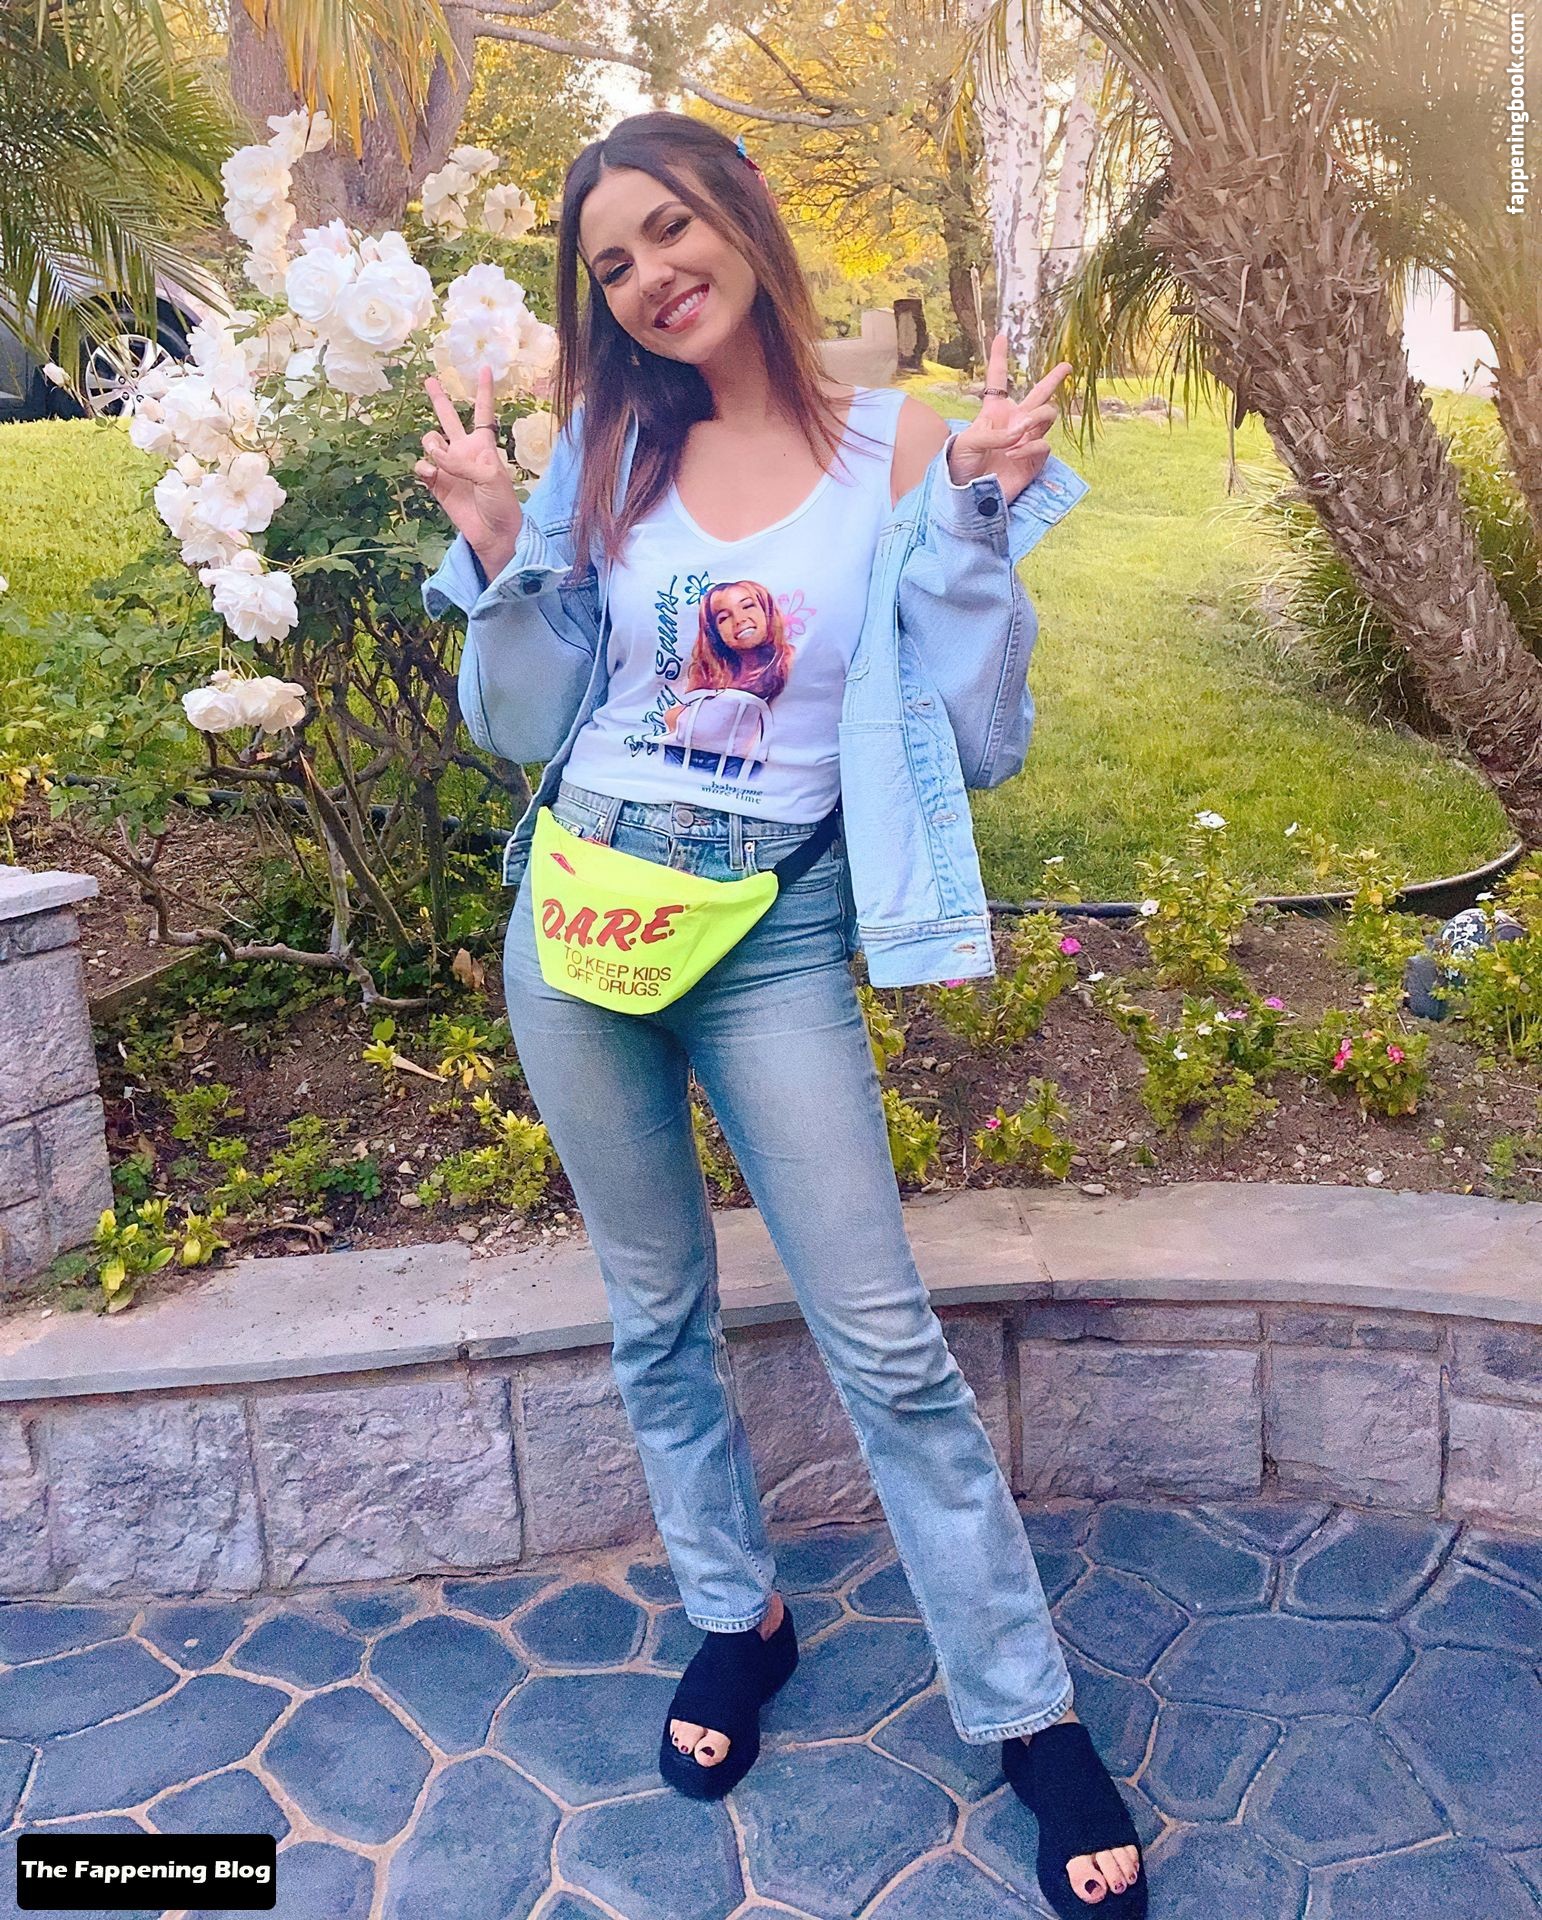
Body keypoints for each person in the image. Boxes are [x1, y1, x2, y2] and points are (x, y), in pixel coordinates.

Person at [418, 109, 1143, 1918]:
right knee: (654, 1313)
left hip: (772, 929)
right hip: (579, 911)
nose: (649, 276)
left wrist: (972, 515)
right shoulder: (606, 448)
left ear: (739, 218)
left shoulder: (905, 442)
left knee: (882, 1341)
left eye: (669, 230)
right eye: (610, 263)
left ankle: (1027, 1713)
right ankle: (734, 1617)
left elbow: (974, 730)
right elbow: (523, 725)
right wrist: (502, 544)